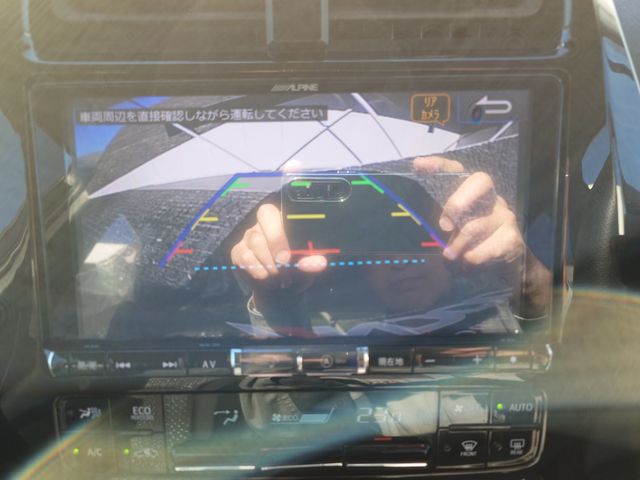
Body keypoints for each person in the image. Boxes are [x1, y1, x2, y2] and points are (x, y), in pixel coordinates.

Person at [230, 155, 552, 336]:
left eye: (415, 237)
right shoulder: (338, 337)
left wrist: (525, 275)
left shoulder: (500, 314)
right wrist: (274, 302)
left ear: (457, 229)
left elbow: (570, 354)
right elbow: (279, 418)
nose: (399, 260)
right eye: (380, 242)